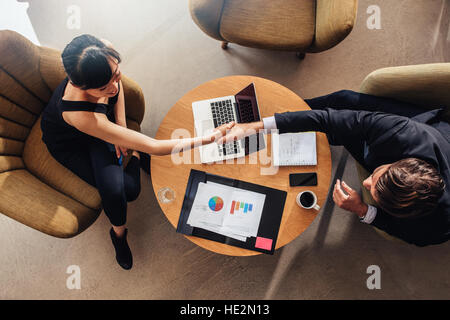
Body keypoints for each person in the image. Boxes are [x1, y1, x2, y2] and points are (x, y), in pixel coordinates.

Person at [41, 34, 233, 270]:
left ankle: (134, 155)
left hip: (105, 125)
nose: (113, 88)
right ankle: (118, 235)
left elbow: (116, 87)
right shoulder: (79, 116)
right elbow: (154, 146)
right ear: (79, 85)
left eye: (116, 75)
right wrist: (209, 138)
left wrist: (121, 126)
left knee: (127, 188)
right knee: (123, 190)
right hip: (71, 142)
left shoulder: (104, 50)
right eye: (103, 87)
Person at [218, 90, 449, 247]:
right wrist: (257, 127)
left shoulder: (437, 226)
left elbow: (409, 235)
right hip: (428, 129)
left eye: (375, 194)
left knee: (340, 134)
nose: (366, 183)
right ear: (398, 162)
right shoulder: (401, 131)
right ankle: (284, 113)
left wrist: (362, 210)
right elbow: (329, 119)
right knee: (343, 100)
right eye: (375, 178)